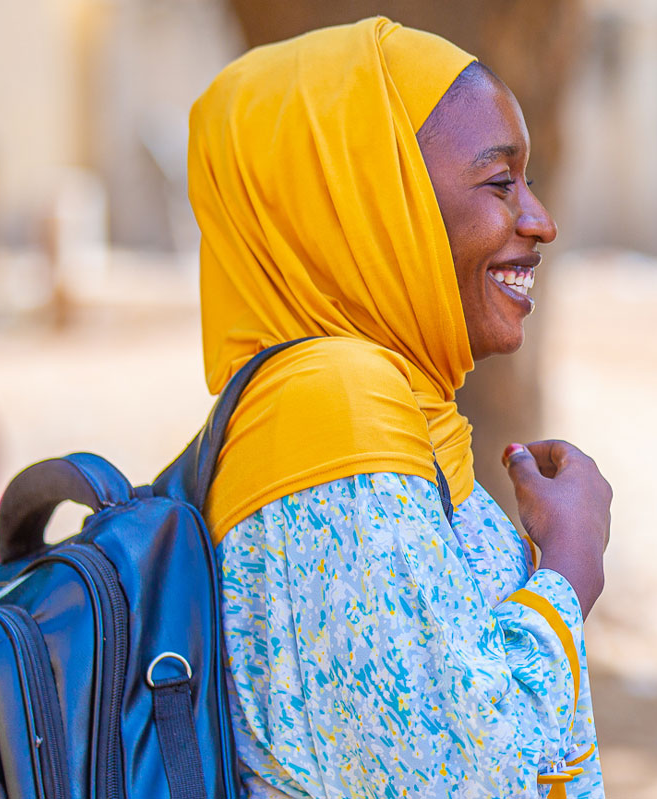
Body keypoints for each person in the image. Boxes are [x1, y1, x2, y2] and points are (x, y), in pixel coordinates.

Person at [187, 18, 610, 798]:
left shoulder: (403, 420)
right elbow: (467, 779)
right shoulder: (330, 412)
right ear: (371, 202)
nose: (540, 220)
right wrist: (570, 568)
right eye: (499, 182)